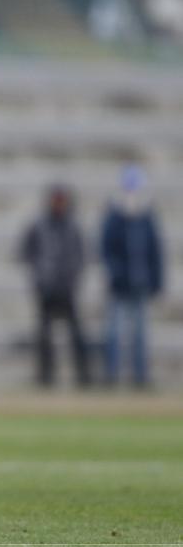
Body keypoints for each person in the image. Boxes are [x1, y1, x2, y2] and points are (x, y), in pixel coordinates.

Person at [19, 183, 91, 388]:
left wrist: (73, 277)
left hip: (67, 289)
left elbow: (80, 255)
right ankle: (45, 377)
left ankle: (84, 377)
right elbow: (26, 251)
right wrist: (39, 275)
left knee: (76, 335)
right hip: (46, 289)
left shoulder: (72, 226)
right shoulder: (39, 225)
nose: (58, 204)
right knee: (44, 337)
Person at [100, 164, 164, 388]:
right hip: (120, 285)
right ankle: (112, 375)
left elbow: (155, 252)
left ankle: (140, 377)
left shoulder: (146, 217)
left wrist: (156, 281)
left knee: (140, 334)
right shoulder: (115, 217)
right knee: (115, 332)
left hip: (141, 283)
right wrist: (116, 274)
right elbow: (106, 249)